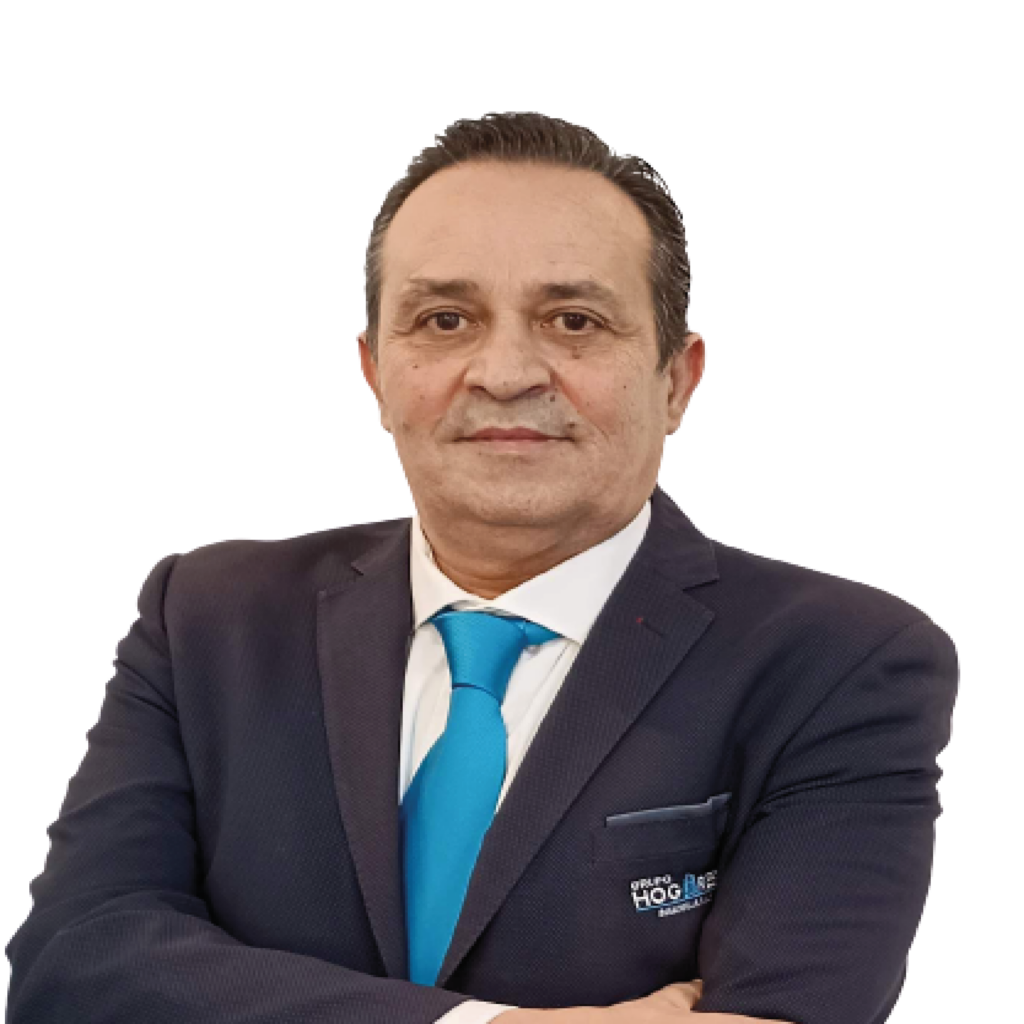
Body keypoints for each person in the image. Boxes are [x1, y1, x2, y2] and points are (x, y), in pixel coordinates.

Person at [4, 111, 958, 1024]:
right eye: (445, 319)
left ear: (677, 379)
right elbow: (73, 968)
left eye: (574, 320)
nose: (505, 372)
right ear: (377, 374)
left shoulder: (842, 664)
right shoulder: (208, 620)